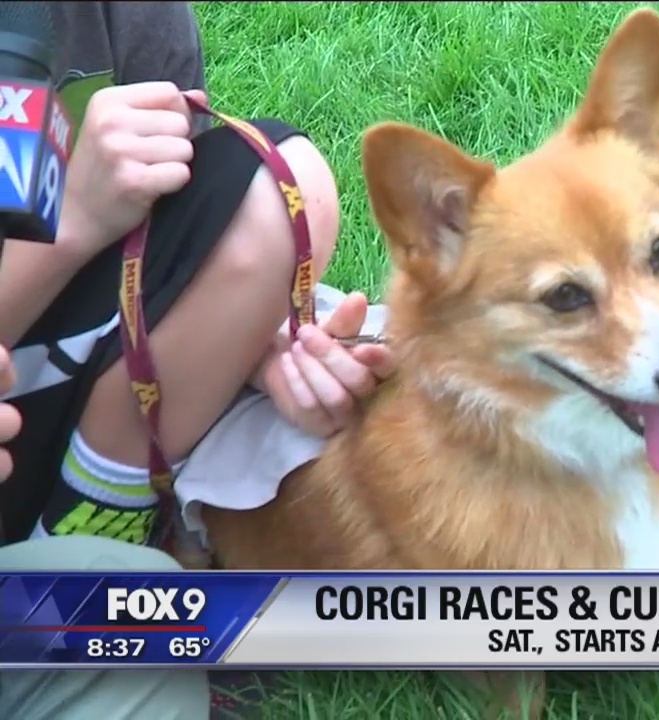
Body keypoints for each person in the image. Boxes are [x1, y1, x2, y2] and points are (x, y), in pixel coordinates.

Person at [0, 3, 393, 718]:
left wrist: (260, 341)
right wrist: (69, 222)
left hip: (55, 386)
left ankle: (94, 531)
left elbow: (177, 232)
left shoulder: (129, 13)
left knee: (276, 183)